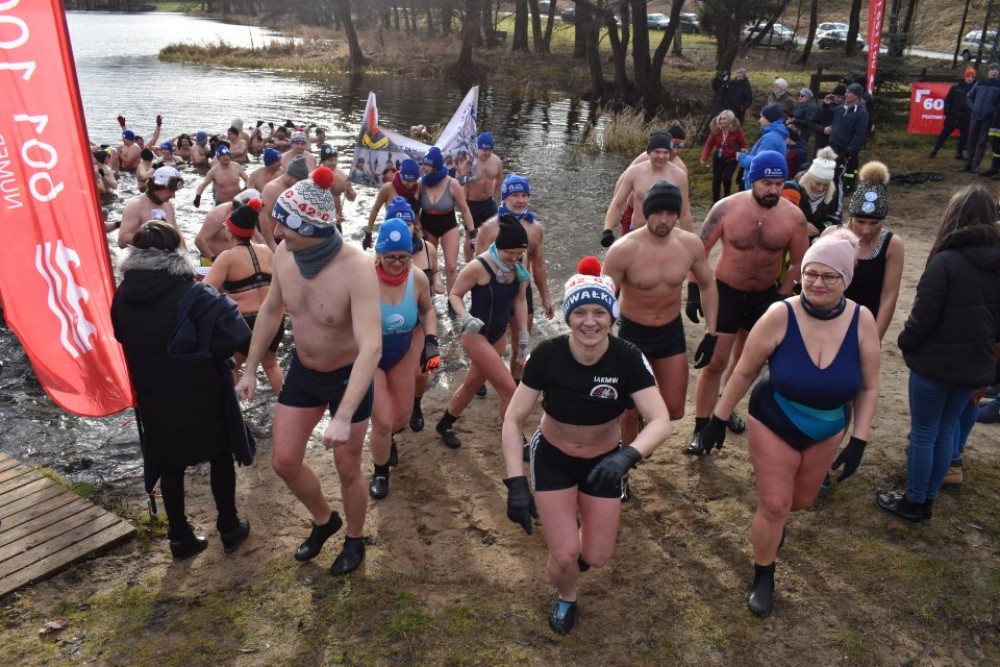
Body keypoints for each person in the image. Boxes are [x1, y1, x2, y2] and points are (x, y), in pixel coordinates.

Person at [698, 229, 879, 617]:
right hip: (774, 417)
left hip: (829, 425)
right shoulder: (781, 314)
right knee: (775, 504)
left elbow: (868, 386)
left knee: (799, 502)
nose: (816, 282)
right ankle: (764, 575)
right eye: (810, 273)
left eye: (828, 276)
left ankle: (774, 529)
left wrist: (859, 440)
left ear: (846, 279)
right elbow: (745, 371)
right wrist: (718, 418)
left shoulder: (862, 320)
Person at [500, 258, 671, 634]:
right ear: (568, 316)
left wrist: (627, 456)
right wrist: (515, 483)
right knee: (565, 556)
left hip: (605, 463)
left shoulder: (628, 358)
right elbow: (513, 420)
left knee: (595, 555)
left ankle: (571, 546)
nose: (589, 322)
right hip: (554, 458)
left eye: (599, 313)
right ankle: (566, 596)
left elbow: (660, 420)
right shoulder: (547, 356)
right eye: (580, 312)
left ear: (612, 317)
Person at [234, 167, 381, 575]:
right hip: (303, 371)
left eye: (285, 225)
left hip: (348, 378)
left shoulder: (357, 267)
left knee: (347, 468)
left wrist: (345, 414)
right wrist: (250, 368)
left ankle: (354, 539)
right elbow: (271, 309)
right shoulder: (285, 253)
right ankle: (324, 520)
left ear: (313, 229)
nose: (277, 232)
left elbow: (372, 346)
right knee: (283, 461)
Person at [111, 221, 253, 561]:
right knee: (220, 455)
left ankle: (179, 537)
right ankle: (229, 527)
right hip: (203, 392)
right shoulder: (196, 293)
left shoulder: (122, 295)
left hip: (153, 394)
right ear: (178, 251)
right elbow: (239, 335)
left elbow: (119, 334)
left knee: (169, 464)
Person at [878, 184, 1000, 522]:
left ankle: (914, 501)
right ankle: (928, 499)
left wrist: (905, 341)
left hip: (934, 366)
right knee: (946, 431)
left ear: (953, 216)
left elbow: (923, 316)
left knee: (924, 432)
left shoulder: (945, 262)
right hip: (974, 365)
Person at [686, 151, 809, 455]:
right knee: (715, 362)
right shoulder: (726, 208)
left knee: (746, 363)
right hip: (727, 292)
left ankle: (724, 410)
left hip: (766, 296)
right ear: (752, 180)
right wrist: (694, 289)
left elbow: (800, 262)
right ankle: (701, 428)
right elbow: (699, 251)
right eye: (767, 183)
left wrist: (781, 296)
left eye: (779, 184)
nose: (774, 190)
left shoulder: (794, 217)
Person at [603, 180, 718, 443]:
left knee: (675, 410)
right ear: (646, 212)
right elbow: (604, 298)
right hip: (633, 334)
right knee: (628, 412)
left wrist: (711, 331)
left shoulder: (690, 244)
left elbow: (708, 285)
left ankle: (646, 424)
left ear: (678, 214)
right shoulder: (623, 249)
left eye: (671, 213)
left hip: (670, 332)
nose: (664, 219)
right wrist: (606, 341)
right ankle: (627, 464)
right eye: (658, 212)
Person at [435, 217, 529, 449]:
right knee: (509, 390)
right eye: (510, 253)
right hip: (475, 335)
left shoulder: (519, 262)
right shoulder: (479, 266)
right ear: (499, 246)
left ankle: (445, 424)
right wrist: (465, 317)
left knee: (471, 384)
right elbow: (455, 294)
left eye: (519, 253)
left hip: (498, 335)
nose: (514, 258)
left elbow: (519, 300)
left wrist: (524, 334)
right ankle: (516, 440)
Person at [367, 218, 439, 499]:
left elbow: (428, 310)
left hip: (401, 353)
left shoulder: (417, 278)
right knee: (382, 421)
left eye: (404, 257)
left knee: (402, 416)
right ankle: (380, 472)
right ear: (379, 253)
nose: (397, 263)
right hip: (370, 358)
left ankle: (387, 440)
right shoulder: (364, 277)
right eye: (390, 257)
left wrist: (431, 341)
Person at [474, 174, 555, 383]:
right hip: (494, 291)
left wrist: (546, 297)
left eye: (524, 195)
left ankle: (515, 382)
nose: (521, 200)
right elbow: (476, 266)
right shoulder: (490, 228)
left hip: (521, 290)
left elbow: (538, 266)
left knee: (521, 342)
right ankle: (479, 377)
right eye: (515, 195)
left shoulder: (535, 228)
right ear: (504, 197)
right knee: (489, 342)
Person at [203, 196, 285, 394]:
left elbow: (205, 291)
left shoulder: (227, 257)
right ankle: (288, 404)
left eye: (226, 226)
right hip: (273, 317)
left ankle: (234, 410)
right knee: (271, 365)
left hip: (244, 323)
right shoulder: (266, 251)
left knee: (231, 366)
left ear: (231, 232)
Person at [829, 161, 904, 341]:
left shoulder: (892, 244)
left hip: (865, 326)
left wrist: (875, 338)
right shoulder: (831, 236)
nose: (866, 230)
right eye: (860, 222)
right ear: (851, 217)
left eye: (874, 223)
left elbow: (889, 295)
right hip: (828, 324)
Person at [602, 132, 690, 245]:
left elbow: (684, 213)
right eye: (657, 152)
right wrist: (607, 230)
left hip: (664, 236)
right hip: (636, 233)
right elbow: (617, 204)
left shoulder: (679, 175)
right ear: (649, 152)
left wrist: (690, 241)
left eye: (665, 152)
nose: (661, 156)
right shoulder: (634, 172)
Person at [418, 146, 475, 296]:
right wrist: (416, 229)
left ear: (436, 166)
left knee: (451, 267)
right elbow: (413, 209)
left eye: (426, 164)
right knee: (428, 268)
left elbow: (465, 210)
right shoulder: (421, 183)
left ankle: (453, 300)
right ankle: (428, 302)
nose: (423, 167)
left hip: (448, 226)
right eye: (423, 164)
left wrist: (472, 234)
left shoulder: (452, 183)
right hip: (427, 227)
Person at [117, 166, 186, 249]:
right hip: (143, 255)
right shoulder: (135, 206)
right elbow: (121, 241)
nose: (173, 196)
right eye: (171, 191)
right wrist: (148, 238)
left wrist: (184, 254)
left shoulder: (169, 205)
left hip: (166, 255)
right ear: (158, 186)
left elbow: (178, 234)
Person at [195, 188, 263, 266]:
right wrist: (214, 259)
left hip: (234, 262)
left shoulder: (247, 217)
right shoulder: (218, 214)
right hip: (212, 260)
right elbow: (199, 240)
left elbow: (258, 239)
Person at [364, 158, 422, 249]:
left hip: (411, 234)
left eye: (413, 181)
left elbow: (416, 213)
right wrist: (368, 233)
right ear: (401, 176)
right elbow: (375, 209)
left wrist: (420, 231)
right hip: (392, 233)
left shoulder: (419, 186)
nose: (410, 184)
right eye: (407, 181)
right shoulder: (388, 188)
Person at [464, 132, 504, 260]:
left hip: (488, 202)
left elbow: (499, 177)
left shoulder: (496, 161)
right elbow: (463, 184)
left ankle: (490, 260)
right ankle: (469, 264)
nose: (487, 153)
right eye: (484, 150)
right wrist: (464, 204)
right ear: (477, 148)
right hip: (472, 204)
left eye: (489, 150)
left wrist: (495, 194)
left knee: (495, 231)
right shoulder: (470, 162)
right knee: (471, 236)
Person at [824, 83, 869, 195]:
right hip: (833, 145)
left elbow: (859, 134)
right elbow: (829, 112)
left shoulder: (861, 113)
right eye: (846, 92)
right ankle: (831, 190)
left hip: (845, 149)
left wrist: (850, 150)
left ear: (856, 95)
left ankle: (845, 188)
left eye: (849, 92)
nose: (846, 94)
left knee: (843, 172)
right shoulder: (841, 108)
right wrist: (827, 105)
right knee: (831, 170)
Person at [260, 154, 309, 249]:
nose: (300, 184)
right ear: (291, 176)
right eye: (299, 181)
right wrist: (270, 243)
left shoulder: (299, 187)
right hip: (275, 237)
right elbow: (263, 216)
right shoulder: (272, 188)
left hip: (293, 237)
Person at [737, 105, 789, 190]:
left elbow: (758, 162)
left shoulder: (770, 138)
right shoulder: (777, 135)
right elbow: (764, 157)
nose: (759, 120)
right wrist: (748, 154)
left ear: (769, 118)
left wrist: (741, 157)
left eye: (762, 117)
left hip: (759, 184)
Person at [700, 110, 747, 202]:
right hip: (718, 158)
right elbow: (709, 145)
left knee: (726, 178)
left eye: (724, 119)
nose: (721, 121)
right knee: (716, 180)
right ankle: (715, 201)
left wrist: (742, 153)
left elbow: (743, 144)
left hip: (731, 159)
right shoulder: (715, 130)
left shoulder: (737, 131)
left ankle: (726, 197)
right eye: (720, 118)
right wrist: (704, 157)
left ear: (730, 120)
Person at [961, 62, 1000, 173]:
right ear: (988, 71)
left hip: (988, 118)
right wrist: (973, 108)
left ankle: (976, 165)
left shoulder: (999, 85)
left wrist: (993, 112)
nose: (995, 71)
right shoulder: (980, 82)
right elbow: (969, 96)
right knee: (971, 140)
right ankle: (967, 164)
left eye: (997, 70)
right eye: (993, 69)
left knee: (982, 142)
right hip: (975, 116)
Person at [795, 147, 841, 240]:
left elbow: (834, 217)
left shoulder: (832, 192)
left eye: (825, 185)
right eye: (817, 183)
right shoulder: (795, 187)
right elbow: (784, 215)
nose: (821, 189)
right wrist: (802, 225)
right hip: (794, 235)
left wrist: (824, 230)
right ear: (810, 179)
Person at [929, 68, 975, 160]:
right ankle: (935, 150)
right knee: (944, 135)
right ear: (964, 77)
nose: (970, 78)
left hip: (966, 118)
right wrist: (947, 112)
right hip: (953, 117)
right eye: (968, 76)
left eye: (972, 77)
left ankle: (959, 154)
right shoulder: (955, 88)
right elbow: (947, 101)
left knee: (964, 137)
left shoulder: (974, 90)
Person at [788, 88, 816, 172]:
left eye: (802, 96)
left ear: (808, 97)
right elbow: (793, 115)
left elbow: (808, 122)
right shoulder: (799, 105)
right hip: (793, 131)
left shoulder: (811, 107)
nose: (800, 97)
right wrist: (789, 120)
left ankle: (800, 169)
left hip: (802, 133)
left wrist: (795, 120)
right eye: (799, 95)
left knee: (799, 152)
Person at [810, 85, 845, 153]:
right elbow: (811, 123)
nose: (840, 99)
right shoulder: (821, 107)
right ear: (833, 96)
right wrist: (823, 129)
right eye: (838, 97)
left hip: (837, 145)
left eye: (843, 98)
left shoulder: (846, 110)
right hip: (821, 142)